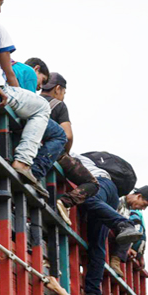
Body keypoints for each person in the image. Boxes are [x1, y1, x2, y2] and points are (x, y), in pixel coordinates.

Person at [0, 0, 50, 184]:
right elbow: (10, 74)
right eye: (0, 5)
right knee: (42, 108)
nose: (0, 11)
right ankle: (23, 161)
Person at [75, 154, 148, 295]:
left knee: (89, 199)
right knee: (97, 246)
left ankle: (124, 224)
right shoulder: (121, 199)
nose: (142, 208)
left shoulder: (75, 157)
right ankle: (92, 294)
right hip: (112, 194)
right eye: (144, 204)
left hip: (102, 184)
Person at [35, 72, 100, 224]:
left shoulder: (33, 99)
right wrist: (65, 153)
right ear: (58, 89)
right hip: (53, 153)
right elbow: (68, 135)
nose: (63, 96)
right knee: (93, 184)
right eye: (64, 92)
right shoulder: (59, 105)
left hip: (29, 148)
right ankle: (65, 202)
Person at [111, 186, 148, 274]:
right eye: (144, 205)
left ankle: (116, 259)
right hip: (104, 227)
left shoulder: (128, 209)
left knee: (129, 228)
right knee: (130, 227)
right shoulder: (118, 198)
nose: (143, 209)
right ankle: (115, 259)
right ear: (138, 196)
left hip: (112, 232)